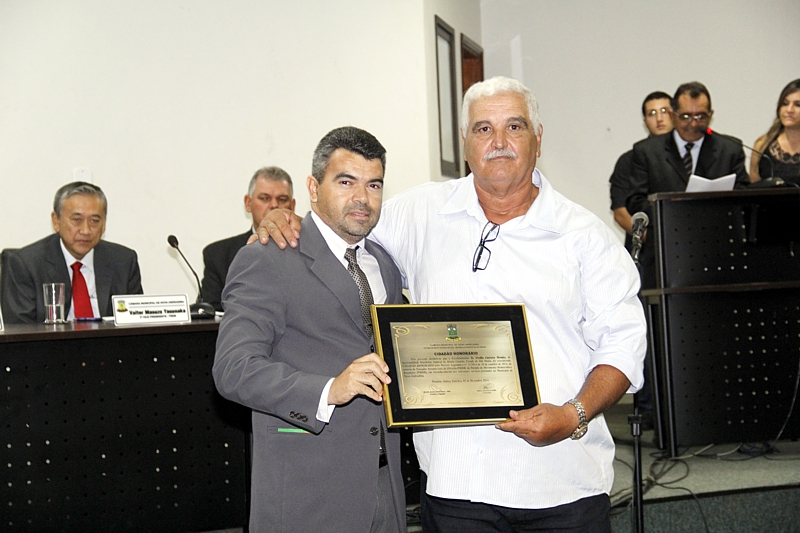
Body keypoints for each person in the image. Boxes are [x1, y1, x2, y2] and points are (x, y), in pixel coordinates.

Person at [258, 77, 646, 532]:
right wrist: (288, 220)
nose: (498, 142)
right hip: (455, 487)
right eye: (483, 129)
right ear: (465, 143)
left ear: (538, 139)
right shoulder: (419, 213)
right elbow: (341, 226)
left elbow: (623, 346)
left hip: (561, 482)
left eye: (514, 127)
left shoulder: (585, 236)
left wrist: (573, 414)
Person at [212, 127, 406, 533]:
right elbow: (233, 369)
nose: (362, 197)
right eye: (346, 182)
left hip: (384, 491)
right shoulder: (268, 258)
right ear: (313, 188)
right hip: (306, 493)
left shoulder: (384, 264)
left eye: (373, 184)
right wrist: (328, 390)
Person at [626, 81, 750, 289]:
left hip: (718, 253)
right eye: (685, 117)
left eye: (700, 116)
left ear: (711, 114)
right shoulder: (647, 151)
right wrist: (676, 211)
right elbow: (635, 201)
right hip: (666, 254)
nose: (693, 123)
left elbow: (744, 196)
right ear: (673, 114)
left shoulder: (729, 149)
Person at [1, 181, 142, 324]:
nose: (86, 230)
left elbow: (136, 324)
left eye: (94, 221)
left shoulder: (124, 261)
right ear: (56, 221)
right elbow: (21, 330)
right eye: (76, 220)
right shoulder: (25, 265)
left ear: (104, 224)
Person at [201, 166, 295, 311]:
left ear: (292, 206)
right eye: (264, 198)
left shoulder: (306, 250)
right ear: (248, 203)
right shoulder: (218, 255)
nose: (274, 205)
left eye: (282, 199)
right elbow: (210, 311)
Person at [609, 91, 673, 246]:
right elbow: (620, 212)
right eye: (652, 113)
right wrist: (651, 239)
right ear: (645, 121)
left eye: (664, 111)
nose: (659, 118)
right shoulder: (629, 160)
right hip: (645, 249)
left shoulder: (688, 155)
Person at [750, 79, 800, 184]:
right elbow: (754, 187)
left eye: (798, 105)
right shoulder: (762, 144)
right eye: (785, 103)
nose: (789, 110)